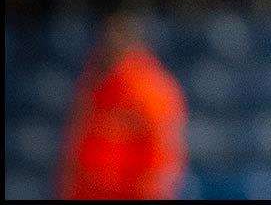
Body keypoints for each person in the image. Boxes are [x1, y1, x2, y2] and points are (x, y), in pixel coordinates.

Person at [58, 14, 188, 200]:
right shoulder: (93, 82)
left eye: (118, 37)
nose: (110, 44)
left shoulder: (151, 88)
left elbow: (162, 158)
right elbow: (75, 150)